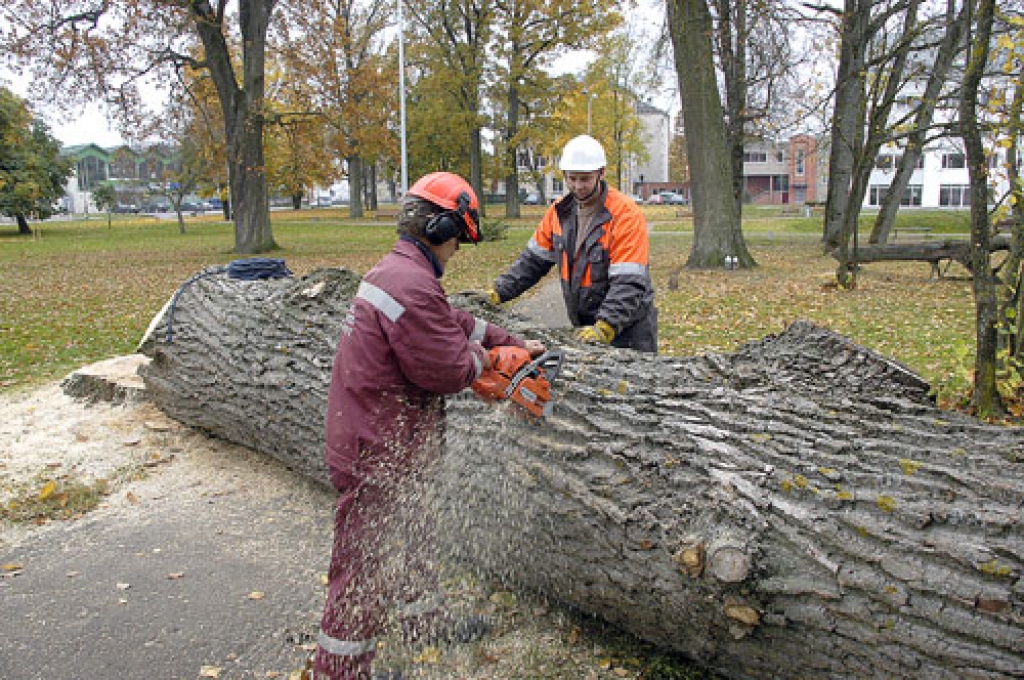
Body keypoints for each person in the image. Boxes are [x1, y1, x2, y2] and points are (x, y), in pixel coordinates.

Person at [314, 171, 543, 679]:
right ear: (439, 228)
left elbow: (454, 322)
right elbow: (446, 369)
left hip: (392, 441)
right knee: (363, 569)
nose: (457, 248)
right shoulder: (411, 285)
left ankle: (425, 623)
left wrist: (514, 341)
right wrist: (486, 361)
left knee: (413, 533)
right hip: (377, 448)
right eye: (457, 237)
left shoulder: (403, 275)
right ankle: (342, 672)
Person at [490, 134, 658, 352]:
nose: (578, 186)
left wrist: (605, 327)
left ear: (601, 173)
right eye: (572, 179)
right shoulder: (559, 213)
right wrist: (498, 292)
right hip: (584, 325)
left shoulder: (625, 214)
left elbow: (628, 282)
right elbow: (531, 263)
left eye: (585, 179)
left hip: (629, 330)